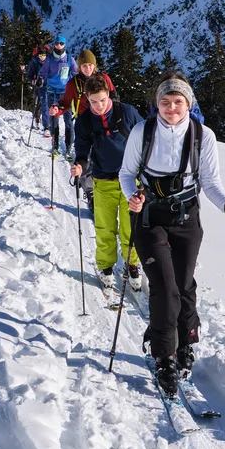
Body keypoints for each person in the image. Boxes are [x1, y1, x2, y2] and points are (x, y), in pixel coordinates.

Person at [119, 74, 225, 398]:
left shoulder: (203, 136)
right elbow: (126, 173)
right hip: (149, 217)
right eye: (165, 101)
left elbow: (211, 182)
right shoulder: (142, 133)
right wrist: (132, 194)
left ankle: (187, 339)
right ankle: (165, 355)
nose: (171, 108)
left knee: (185, 283)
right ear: (156, 104)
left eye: (178, 102)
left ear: (189, 104)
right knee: (164, 285)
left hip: (187, 216)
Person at [69, 75, 142, 291]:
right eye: (93, 101)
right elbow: (82, 151)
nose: (99, 106)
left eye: (102, 100)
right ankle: (105, 266)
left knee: (131, 227)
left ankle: (132, 264)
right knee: (105, 228)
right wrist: (80, 165)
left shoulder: (126, 112)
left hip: (131, 180)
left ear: (108, 95)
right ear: (87, 100)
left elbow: (146, 138)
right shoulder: (83, 121)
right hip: (102, 180)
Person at [50, 49, 116, 207]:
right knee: (85, 158)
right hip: (84, 124)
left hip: (104, 122)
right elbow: (65, 103)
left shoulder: (104, 79)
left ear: (95, 66)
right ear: (79, 67)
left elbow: (114, 98)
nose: (88, 68)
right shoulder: (73, 84)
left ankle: (108, 188)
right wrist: (57, 110)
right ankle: (91, 194)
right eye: (84, 65)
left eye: (90, 65)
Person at [38, 36, 73, 155]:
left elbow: (74, 73)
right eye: (57, 43)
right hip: (52, 92)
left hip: (66, 93)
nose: (59, 46)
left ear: (64, 45)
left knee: (68, 121)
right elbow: (43, 72)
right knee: (54, 120)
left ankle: (68, 147)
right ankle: (55, 145)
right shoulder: (49, 59)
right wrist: (40, 79)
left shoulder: (69, 59)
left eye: (61, 43)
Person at [24, 46, 48, 130]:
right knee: (37, 102)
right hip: (38, 85)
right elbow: (30, 74)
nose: (42, 57)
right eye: (40, 56)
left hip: (48, 85)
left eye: (43, 55)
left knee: (45, 104)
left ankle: (47, 124)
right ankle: (37, 119)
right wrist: (32, 81)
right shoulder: (34, 62)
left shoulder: (49, 62)